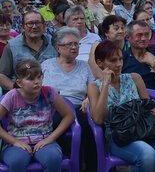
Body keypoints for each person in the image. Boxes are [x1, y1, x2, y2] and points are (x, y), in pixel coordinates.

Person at [88, 41, 155, 172]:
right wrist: (105, 84)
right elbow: (98, 119)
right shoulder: (94, 87)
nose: (119, 64)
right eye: (113, 60)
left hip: (144, 129)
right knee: (147, 154)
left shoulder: (134, 78)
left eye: (120, 59)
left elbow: (149, 107)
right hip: (119, 137)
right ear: (100, 63)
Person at [0, 59, 74, 172]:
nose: (37, 81)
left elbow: (69, 115)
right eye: (31, 79)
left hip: (45, 141)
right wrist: (14, 142)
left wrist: (51, 138)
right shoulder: (12, 96)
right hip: (16, 143)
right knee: (16, 161)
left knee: (52, 158)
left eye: (39, 77)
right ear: (19, 83)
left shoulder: (49, 92)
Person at [41, 26, 97, 170]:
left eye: (76, 44)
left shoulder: (85, 66)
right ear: (58, 48)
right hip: (52, 109)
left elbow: (93, 87)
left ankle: (91, 168)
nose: (74, 47)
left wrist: (89, 99)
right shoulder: (46, 65)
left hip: (78, 107)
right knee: (55, 123)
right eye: (69, 44)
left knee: (91, 126)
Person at [0, 11, 58, 91]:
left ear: (44, 26)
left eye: (38, 23)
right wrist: (18, 91)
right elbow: (2, 76)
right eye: (30, 23)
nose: (34, 27)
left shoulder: (54, 43)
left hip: (50, 93)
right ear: (22, 27)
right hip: (22, 94)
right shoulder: (12, 46)